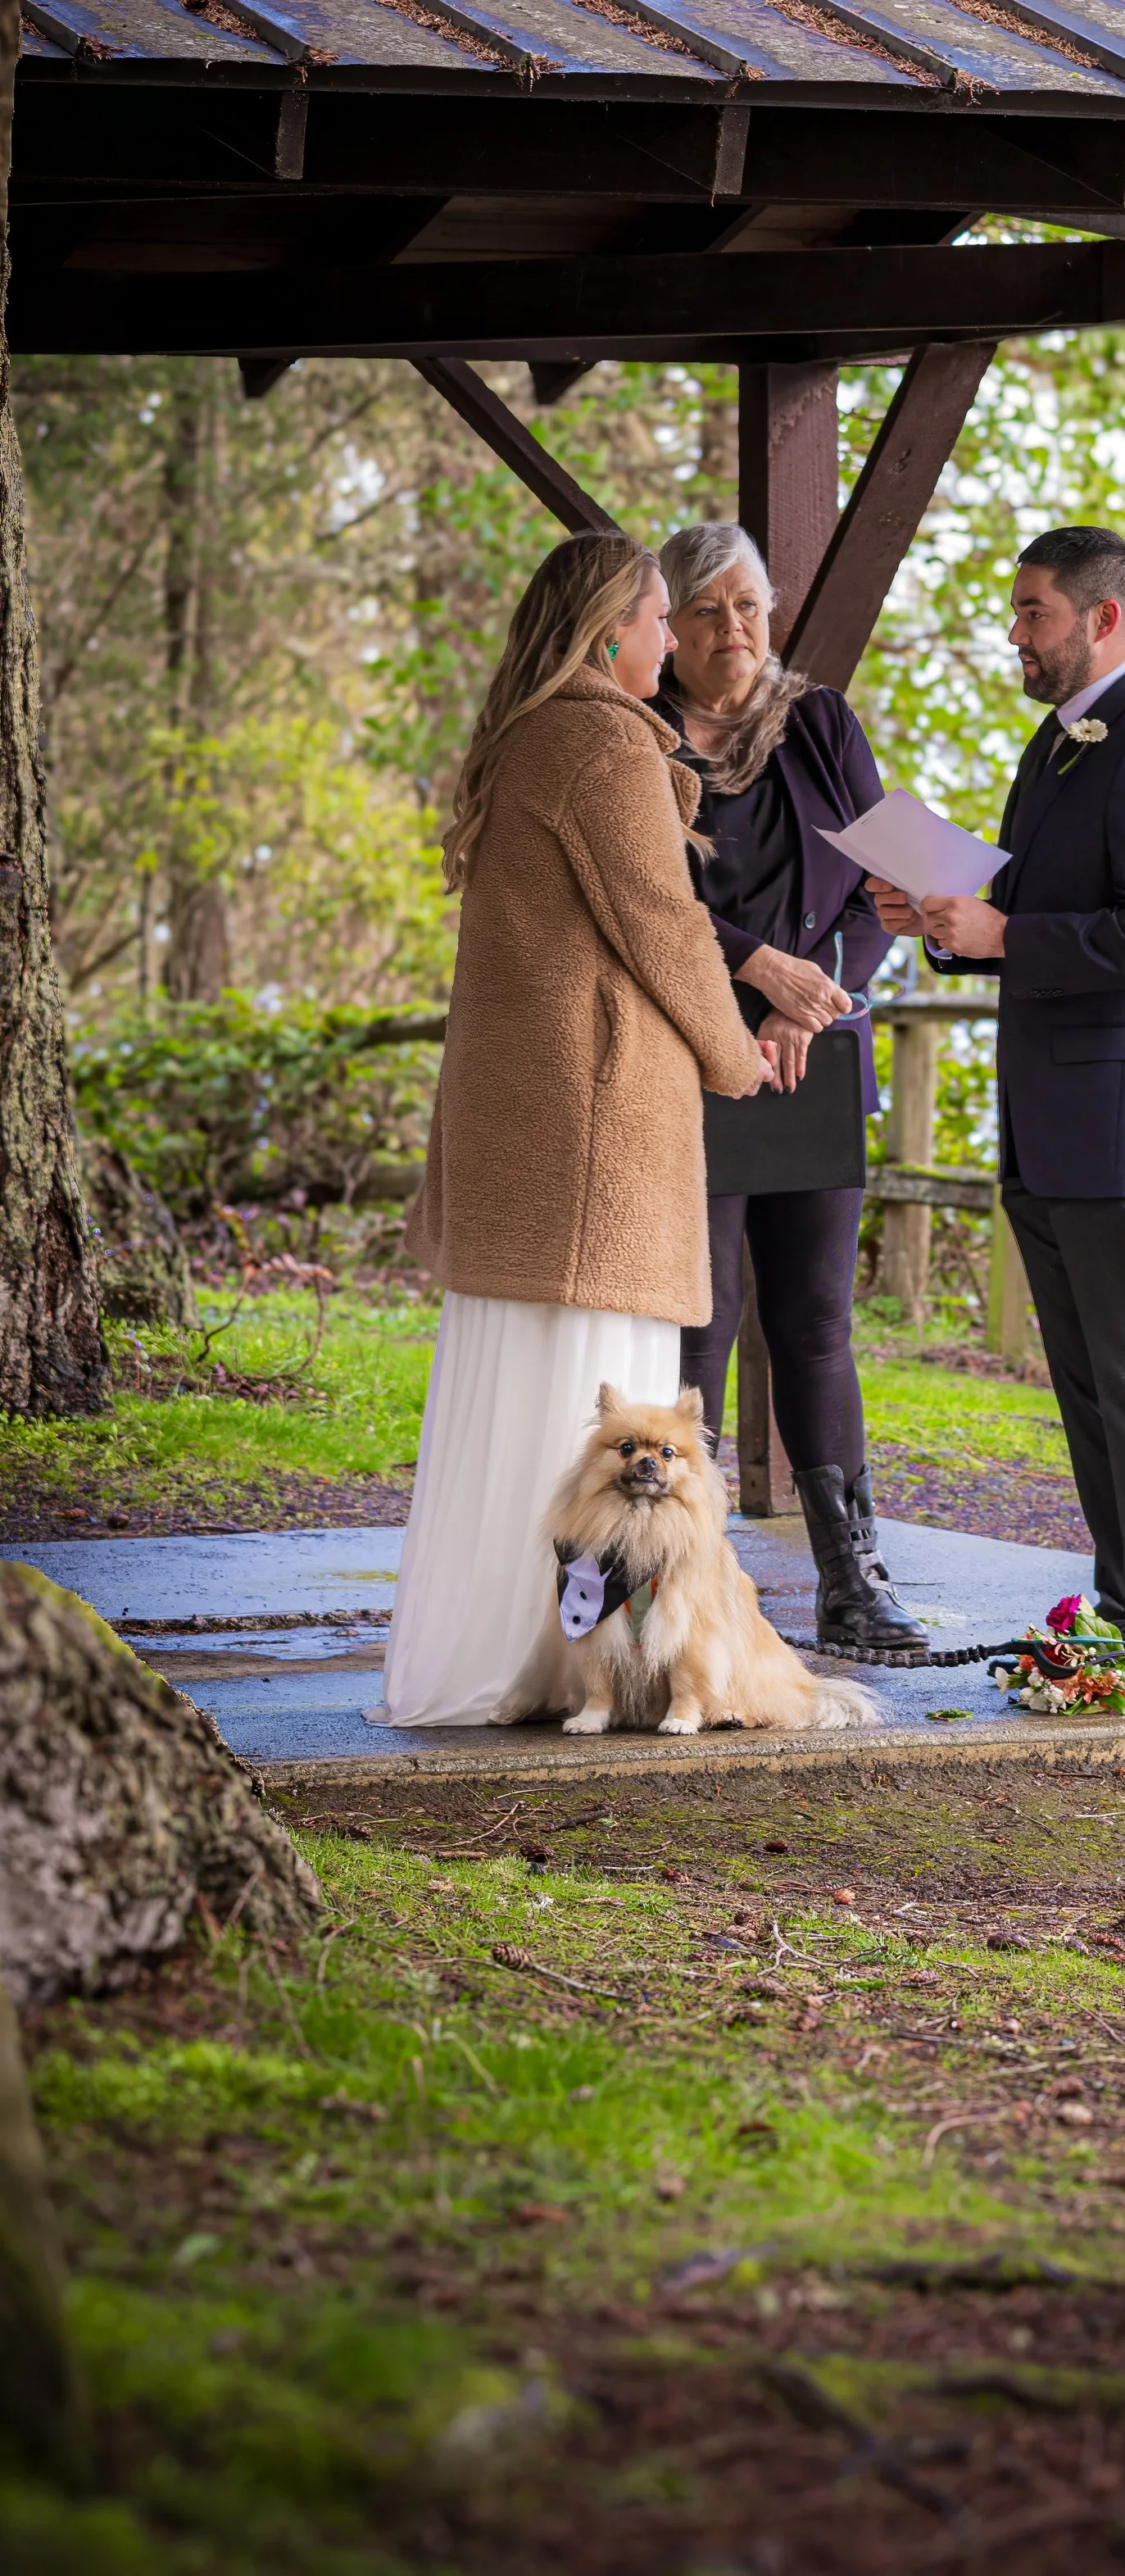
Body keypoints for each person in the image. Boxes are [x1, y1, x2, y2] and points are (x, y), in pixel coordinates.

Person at [376, 532, 768, 1730]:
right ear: (612, 630)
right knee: (593, 1395)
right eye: (660, 620)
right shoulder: (602, 739)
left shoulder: (528, 734)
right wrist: (738, 1052)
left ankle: (510, 1654)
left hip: (526, 1140)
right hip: (593, 1141)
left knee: (518, 1395)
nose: (672, 643)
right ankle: (564, 1666)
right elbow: (665, 923)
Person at [869, 525, 1125, 1656]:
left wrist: (1007, 927)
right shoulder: (1059, 746)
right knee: (1083, 1381)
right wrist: (941, 915)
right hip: (1049, 1119)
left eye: (1033, 612)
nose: (1016, 632)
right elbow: (1030, 901)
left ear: (1103, 619)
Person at [651, 520, 926, 1660]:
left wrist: (804, 1002)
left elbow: (878, 889)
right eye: (709, 610)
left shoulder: (819, 723)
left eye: (750, 607)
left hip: (810, 1053)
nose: (734, 630)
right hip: (689, 1057)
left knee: (815, 1322)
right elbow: (645, 904)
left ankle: (852, 1580)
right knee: (699, 1324)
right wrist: (751, 981)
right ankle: (681, 1577)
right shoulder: (639, 731)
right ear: (666, 624)